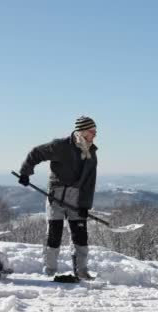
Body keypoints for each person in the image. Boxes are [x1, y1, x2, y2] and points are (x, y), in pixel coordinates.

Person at [17, 116, 98, 280]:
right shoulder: (61, 146)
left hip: (77, 198)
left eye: (95, 131)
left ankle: (81, 271)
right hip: (56, 197)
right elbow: (36, 153)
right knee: (54, 235)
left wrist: (85, 205)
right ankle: (50, 271)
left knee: (80, 235)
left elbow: (90, 183)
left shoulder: (91, 153)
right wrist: (25, 172)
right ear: (82, 131)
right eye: (92, 131)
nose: (95, 135)